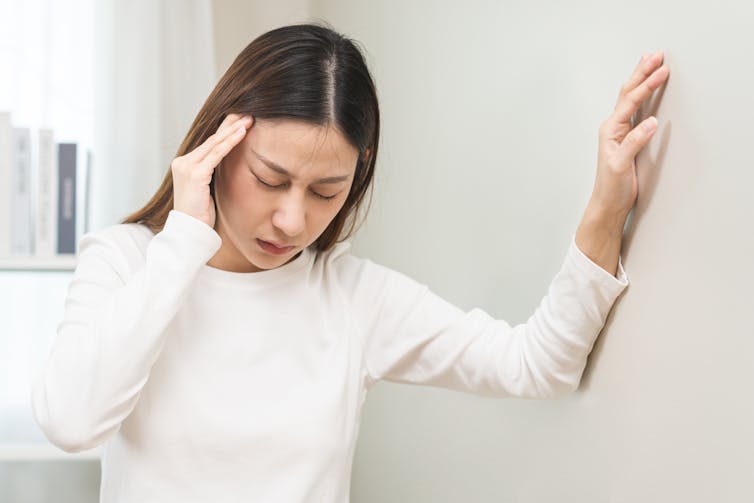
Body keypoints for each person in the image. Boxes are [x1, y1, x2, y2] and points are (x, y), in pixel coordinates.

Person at [31, 23, 669, 503]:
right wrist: (181, 243)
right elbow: (71, 421)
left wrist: (606, 208)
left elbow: (537, 365)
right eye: (269, 178)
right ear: (218, 146)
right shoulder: (127, 261)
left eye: (325, 192)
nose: (292, 219)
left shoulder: (354, 298)